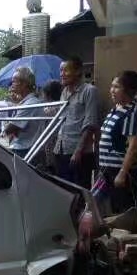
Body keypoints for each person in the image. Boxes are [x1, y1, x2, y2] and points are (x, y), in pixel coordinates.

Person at [95, 70, 137, 213]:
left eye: (116, 87)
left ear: (128, 90)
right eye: (112, 86)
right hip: (108, 170)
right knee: (111, 209)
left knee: (124, 211)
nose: (112, 90)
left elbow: (133, 146)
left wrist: (122, 173)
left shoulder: (133, 113)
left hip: (121, 171)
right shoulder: (117, 108)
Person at [52, 56, 101, 187]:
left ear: (78, 71)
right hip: (61, 148)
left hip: (80, 152)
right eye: (61, 71)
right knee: (63, 188)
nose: (62, 74)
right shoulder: (64, 92)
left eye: (65, 70)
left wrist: (78, 151)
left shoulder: (89, 91)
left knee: (79, 190)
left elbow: (90, 123)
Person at [2, 66, 41, 155]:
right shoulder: (24, 102)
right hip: (19, 147)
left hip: (25, 150)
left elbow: (9, 129)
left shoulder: (30, 104)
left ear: (24, 84)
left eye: (14, 81)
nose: (11, 84)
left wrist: (5, 126)